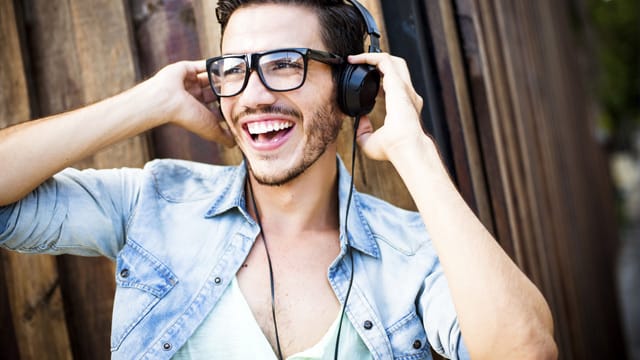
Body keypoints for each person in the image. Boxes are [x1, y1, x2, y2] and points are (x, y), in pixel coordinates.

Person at [0, 0, 557, 359]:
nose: (254, 94)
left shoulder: (411, 255)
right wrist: (151, 101)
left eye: (285, 63)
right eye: (234, 69)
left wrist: (414, 150)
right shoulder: (152, 202)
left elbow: (524, 350)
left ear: (352, 86)